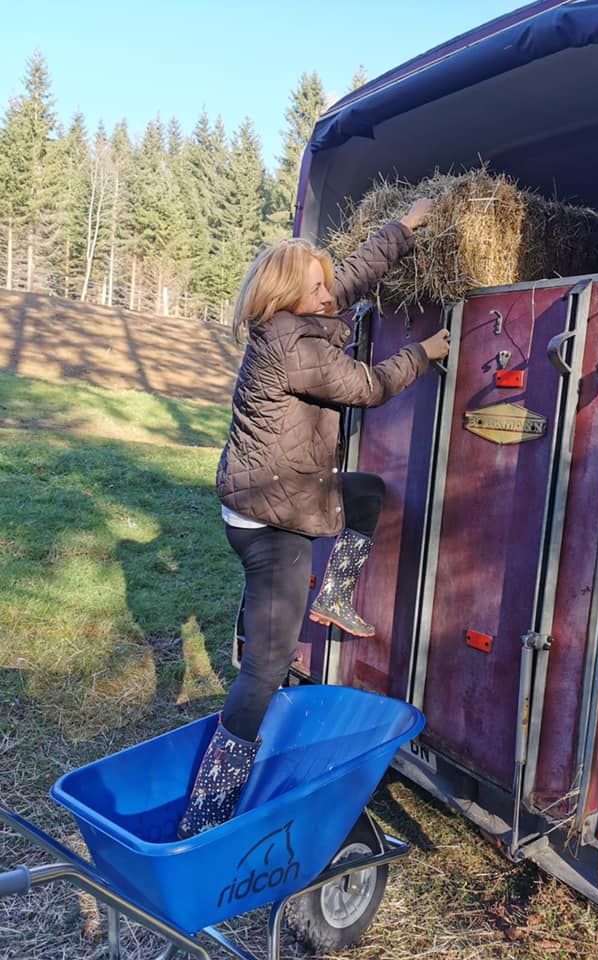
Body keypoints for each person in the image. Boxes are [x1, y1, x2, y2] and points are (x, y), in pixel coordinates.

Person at [177, 200, 450, 838]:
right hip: (274, 520)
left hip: (277, 495)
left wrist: (403, 229)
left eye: (327, 283)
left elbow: (349, 277)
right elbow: (367, 386)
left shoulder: (294, 319)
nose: (331, 291)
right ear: (290, 295)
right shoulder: (295, 346)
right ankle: (212, 803)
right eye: (317, 285)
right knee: (268, 666)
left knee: (365, 494)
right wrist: (426, 352)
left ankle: (334, 591)